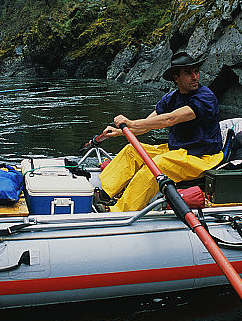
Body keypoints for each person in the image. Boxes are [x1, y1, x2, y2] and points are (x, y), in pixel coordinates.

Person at [96, 50, 224, 212]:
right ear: (176, 78)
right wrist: (120, 132)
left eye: (196, 72)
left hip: (202, 157)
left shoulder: (205, 98)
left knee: (155, 166)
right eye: (188, 73)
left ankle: (119, 211)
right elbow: (148, 124)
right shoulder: (171, 98)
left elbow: (170, 119)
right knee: (132, 150)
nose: (195, 77)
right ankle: (105, 195)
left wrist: (131, 122)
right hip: (177, 150)